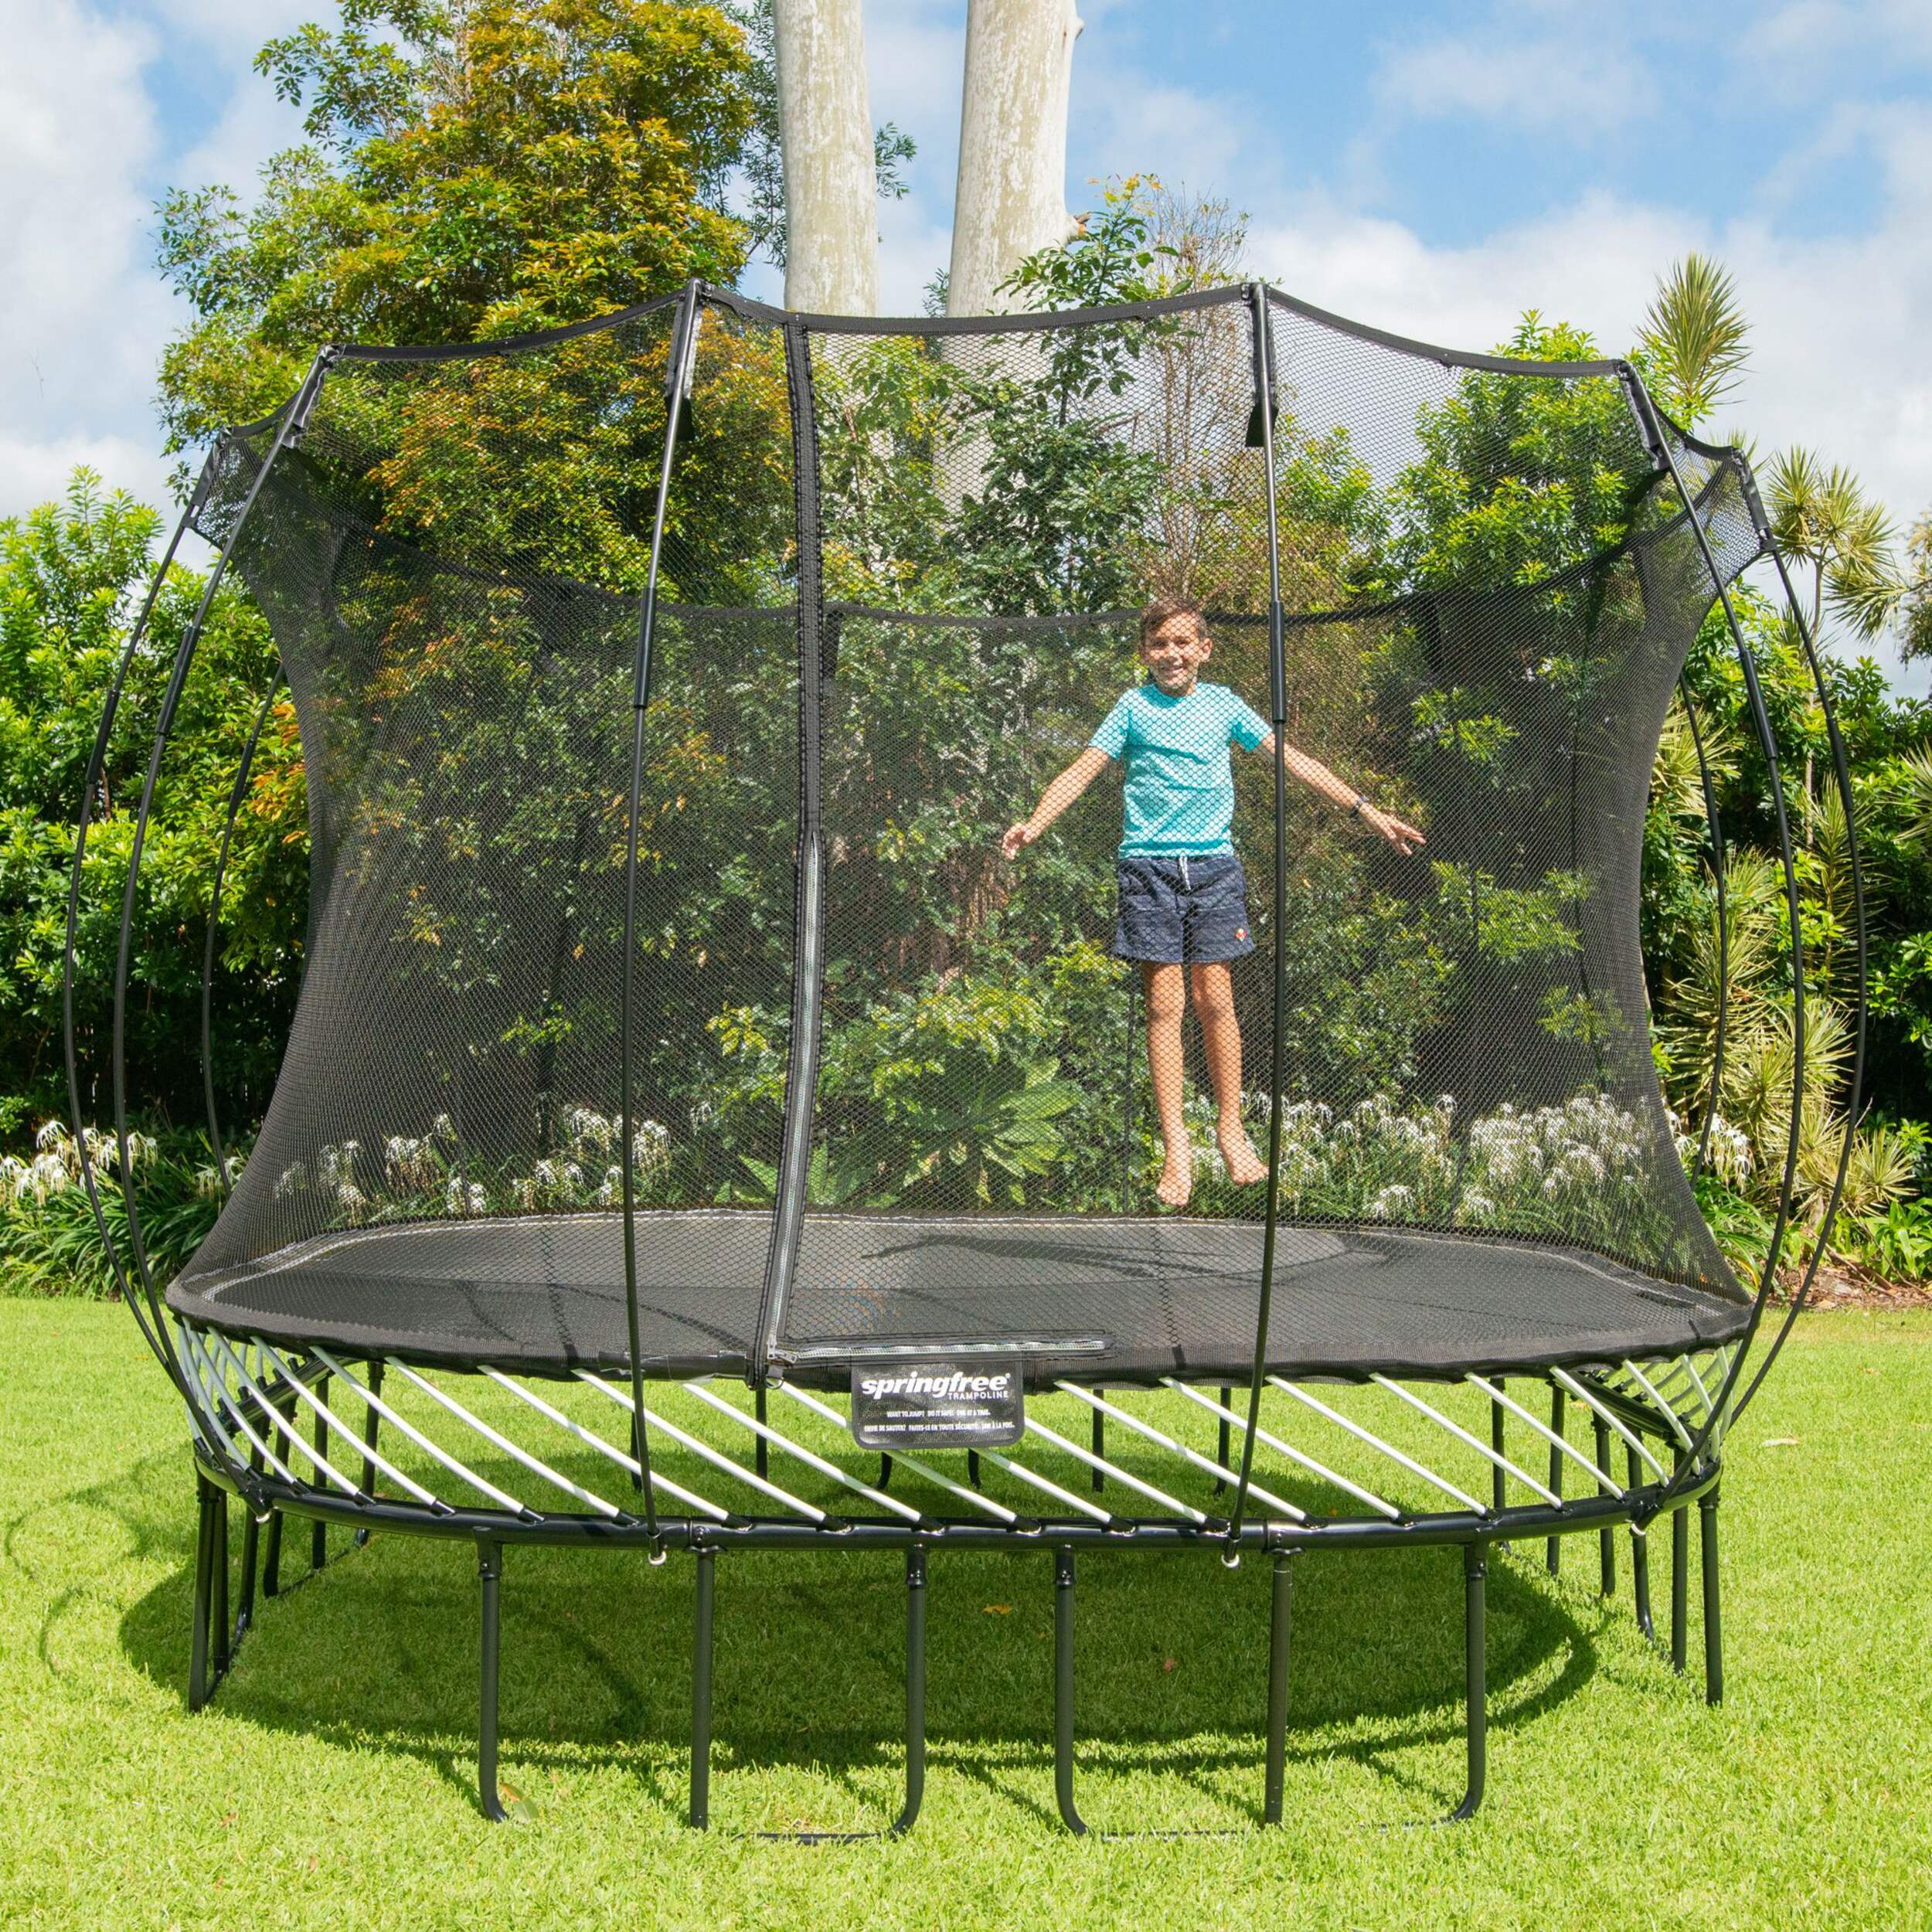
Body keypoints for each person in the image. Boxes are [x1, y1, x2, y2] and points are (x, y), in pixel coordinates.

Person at [1002, 595, 1425, 1209]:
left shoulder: (1224, 705)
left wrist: (1367, 811)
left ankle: (1230, 1128)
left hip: (1213, 869)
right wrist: (1036, 823)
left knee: (1215, 1000)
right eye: (1159, 644)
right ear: (1144, 652)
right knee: (1163, 1006)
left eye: (1182, 643)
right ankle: (1176, 1144)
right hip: (1148, 869)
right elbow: (1081, 770)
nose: (1170, 654)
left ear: (1204, 649)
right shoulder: (1132, 708)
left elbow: (1293, 760)